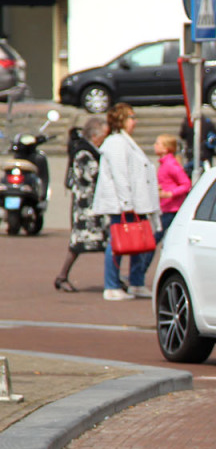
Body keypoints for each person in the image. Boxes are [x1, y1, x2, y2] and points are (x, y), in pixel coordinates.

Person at [92, 103, 160, 301]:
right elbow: (120, 174)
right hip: (124, 203)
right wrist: (126, 202)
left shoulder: (126, 141)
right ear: (121, 119)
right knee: (119, 242)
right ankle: (112, 285)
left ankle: (136, 283)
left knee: (140, 242)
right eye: (131, 117)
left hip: (135, 202)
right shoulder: (116, 143)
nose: (135, 121)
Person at [54, 117, 110, 292]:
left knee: (105, 241)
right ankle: (62, 276)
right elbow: (94, 174)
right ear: (95, 135)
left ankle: (113, 277)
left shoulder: (88, 150)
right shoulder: (84, 152)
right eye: (103, 135)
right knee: (81, 242)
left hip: (92, 204)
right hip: (86, 206)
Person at [153, 133, 190, 242]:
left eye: (157, 143)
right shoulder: (164, 163)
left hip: (172, 208)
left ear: (166, 148)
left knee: (155, 238)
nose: (154, 146)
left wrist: (170, 193)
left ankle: (144, 260)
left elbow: (186, 184)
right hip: (165, 206)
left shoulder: (170, 164)